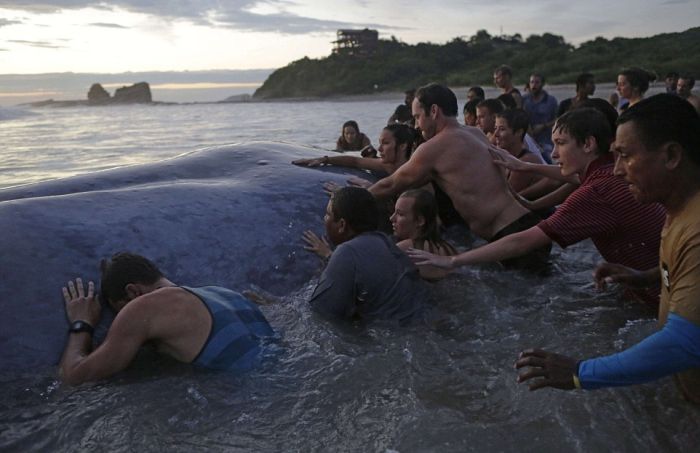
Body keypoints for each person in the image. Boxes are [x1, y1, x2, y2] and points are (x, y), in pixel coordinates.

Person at [515, 94, 700, 404]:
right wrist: (646, 276)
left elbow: (684, 343)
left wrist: (580, 373)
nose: (617, 170)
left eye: (625, 155)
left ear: (670, 155)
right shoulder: (678, 208)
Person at [410, 107, 665, 292]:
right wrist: (525, 166)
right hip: (654, 276)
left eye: (560, 144)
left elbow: (525, 240)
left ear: (588, 144)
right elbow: (576, 178)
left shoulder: (595, 193)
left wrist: (453, 260)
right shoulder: (612, 171)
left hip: (661, 291)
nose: (553, 153)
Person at [368, 83, 550, 269]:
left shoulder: (435, 147)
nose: (416, 125)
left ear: (433, 111)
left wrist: (352, 198)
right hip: (528, 224)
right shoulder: (475, 133)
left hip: (510, 236)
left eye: (417, 117)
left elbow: (390, 185)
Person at [59, 252, 275, 385]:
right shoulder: (225, 293)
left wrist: (82, 324)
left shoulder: (144, 307)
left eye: (119, 311)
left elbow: (76, 377)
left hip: (251, 394)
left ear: (133, 291)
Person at [306, 187, 430, 324]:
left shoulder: (346, 252)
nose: (324, 219)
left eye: (328, 214)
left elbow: (321, 314)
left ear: (342, 225)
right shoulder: (386, 242)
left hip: (389, 335)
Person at [294, 123, 416, 180]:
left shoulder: (414, 171)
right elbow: (356, 161)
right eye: (380, 143)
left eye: (386, 143)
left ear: (402, 146)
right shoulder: (387, 164)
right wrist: (325, 159)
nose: (379, 149)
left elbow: (388, 188)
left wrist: (367, 189)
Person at [391, 189, 457, 280]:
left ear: (420, 221)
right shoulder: (450, 249)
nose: (391, 218)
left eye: (400, 214)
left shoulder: (405, 249)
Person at [493, 109, 545, 192]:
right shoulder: (509, 157)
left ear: (519, 132)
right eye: (495, 128)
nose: (495, 134)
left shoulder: (527, 160)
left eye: (502, 129)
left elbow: (506, 196)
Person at [523, 73, 558, 160]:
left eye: (537, 82)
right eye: (532, 82)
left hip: (546, 140)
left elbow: (558, 119)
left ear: (542, 84)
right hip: (528, 140)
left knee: (547, 160)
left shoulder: (551, 100)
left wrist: (544, 126)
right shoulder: (524, 99)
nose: (534, 85)